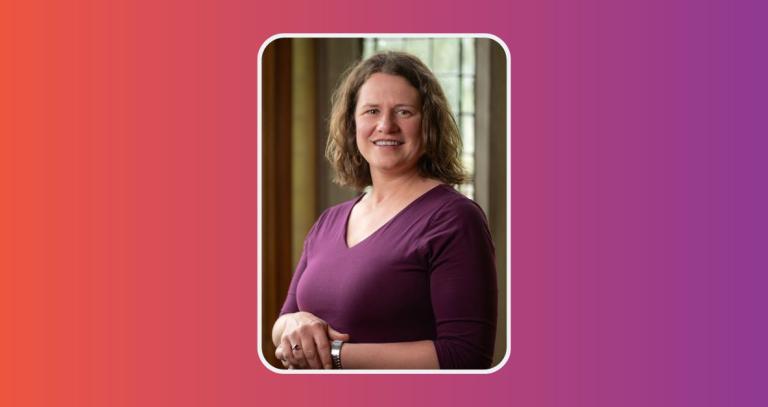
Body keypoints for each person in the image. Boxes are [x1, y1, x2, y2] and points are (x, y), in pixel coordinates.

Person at [271, 51, 497, 369]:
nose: (385, 125)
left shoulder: (456, 219)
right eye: (371, 111)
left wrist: (333, 355)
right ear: (352, 124)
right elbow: (281, 323)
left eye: (404, 112)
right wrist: (296, 323)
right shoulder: (329, 221)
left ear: (428, 123)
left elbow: (465, 355)